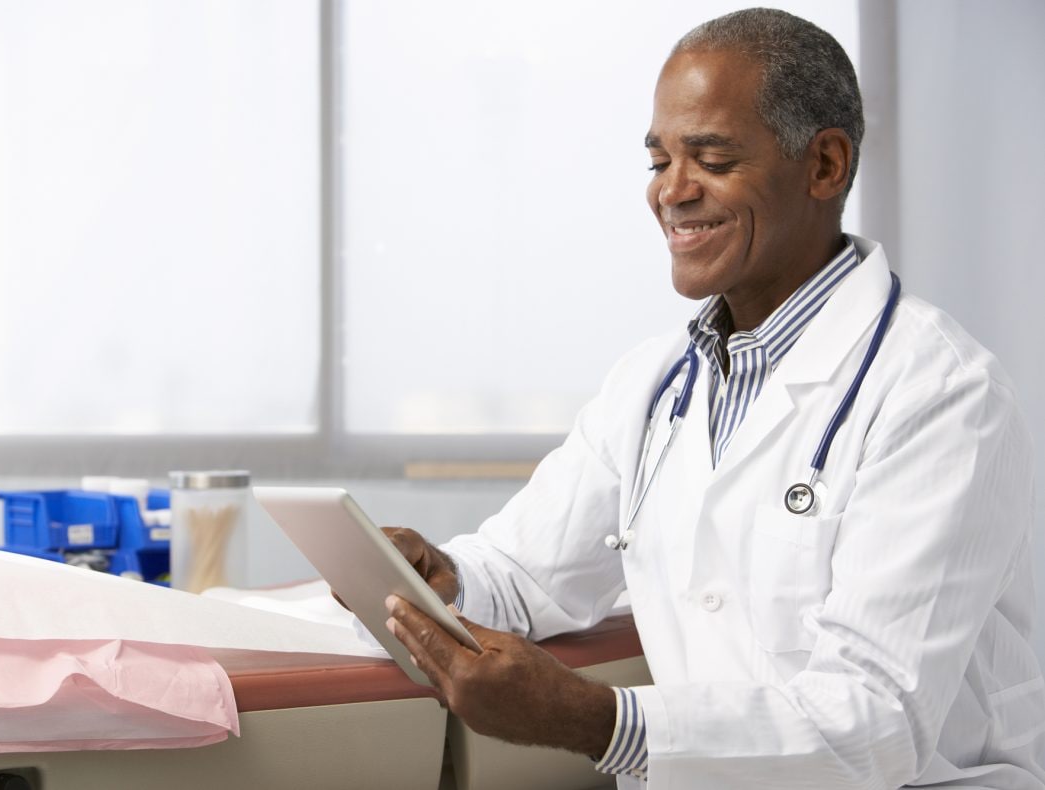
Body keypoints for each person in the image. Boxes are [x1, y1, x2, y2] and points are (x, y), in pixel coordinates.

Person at [379, 8, 1045, 789]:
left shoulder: (941, 394)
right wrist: (444, 575)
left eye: (711, 158)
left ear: (824, 165)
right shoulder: (652, 383)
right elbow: (528, 575)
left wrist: (599, 720)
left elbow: (876, 723)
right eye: (659, 160)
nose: (671, 191)